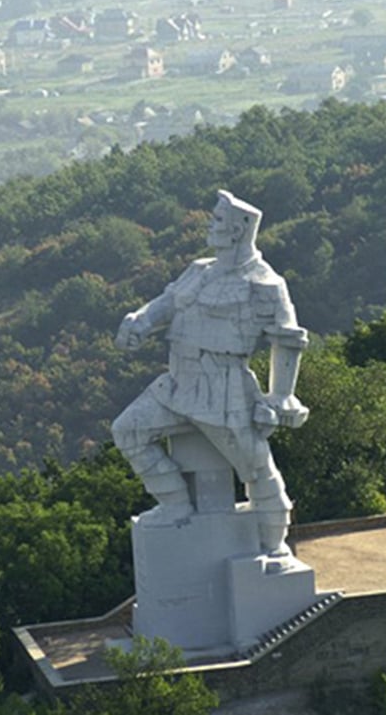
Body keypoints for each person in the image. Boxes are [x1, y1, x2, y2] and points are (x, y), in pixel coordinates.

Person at [112, 190, 308, 556]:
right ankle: (175, 504)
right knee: (128, 431)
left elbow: (288, 340)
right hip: (176, 380)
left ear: (237, 231)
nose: (209, 224)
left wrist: (280, 395)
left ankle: (275, 545)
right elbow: (168, 302)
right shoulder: (201, 269)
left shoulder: (265, 283)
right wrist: (142, 320)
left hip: (223, 388)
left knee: (257, 471)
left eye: (217, 220)